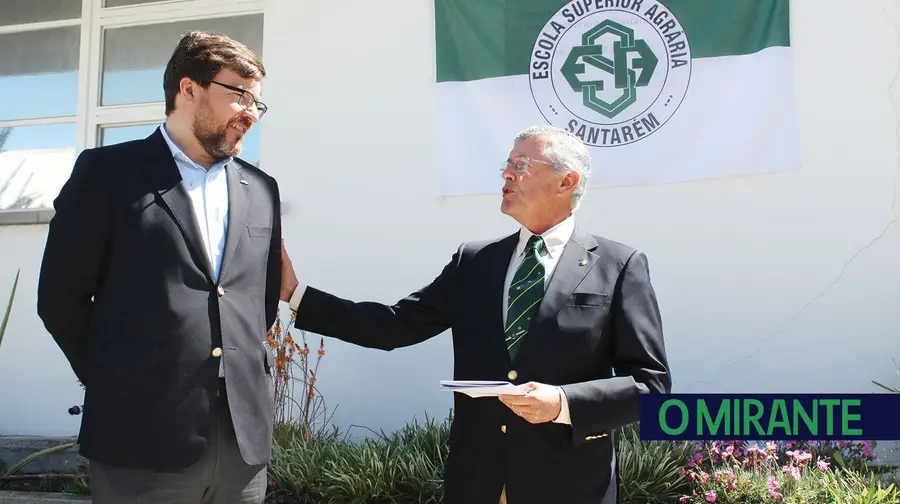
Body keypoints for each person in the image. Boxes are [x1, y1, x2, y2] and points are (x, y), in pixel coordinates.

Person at [278, 124, 672, 504]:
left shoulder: (619, 265)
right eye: (507, 164)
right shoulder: (475, 261)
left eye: (521, 165)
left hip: (569, 481)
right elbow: (394, 325)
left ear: (566, 182)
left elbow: (650, 387)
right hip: (478, 478)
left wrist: (563, 402)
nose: (506, 174)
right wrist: (297, 295)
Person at [37, 30, 281, 504]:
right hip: (138, 443)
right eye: (239, 95)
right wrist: (115, 377)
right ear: (188, 89)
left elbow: (258, 304)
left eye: (258, 103)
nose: (250, 112)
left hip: (240, 452)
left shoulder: (261, 188)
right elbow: (59, 301)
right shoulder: (106, 175)